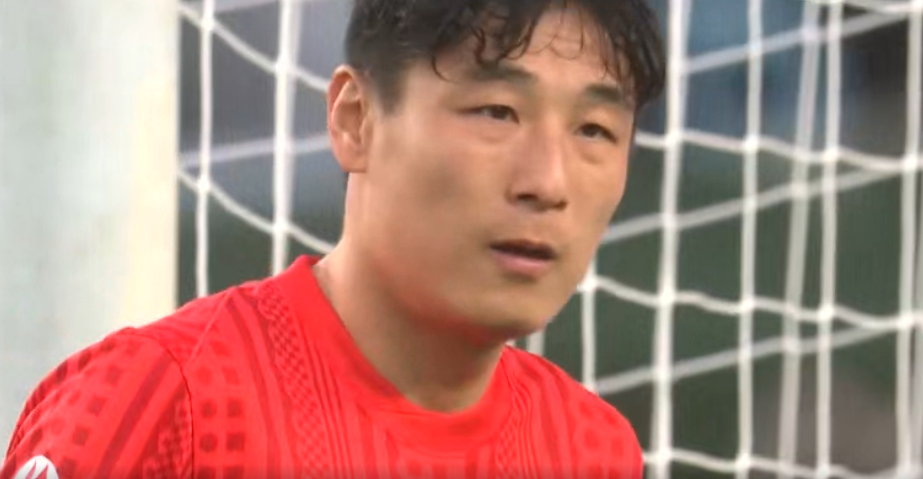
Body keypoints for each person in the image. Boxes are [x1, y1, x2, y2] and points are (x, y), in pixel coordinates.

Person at [1, 0, 664, 477]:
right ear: (355, 119)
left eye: (594, 130)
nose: (547, 182)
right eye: (497, 112)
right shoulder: (160, 404)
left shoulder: (591, 449)